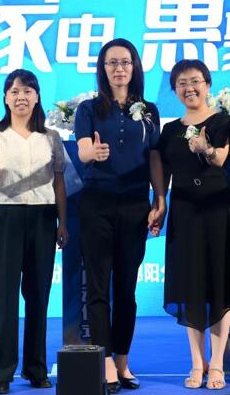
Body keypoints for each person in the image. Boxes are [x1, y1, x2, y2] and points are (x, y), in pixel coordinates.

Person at [73, 38, 166, 393]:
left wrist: (160, 198)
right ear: (103, 68)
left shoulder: (149, 110)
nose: (119, 69)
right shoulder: (88, 109)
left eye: (125, 62)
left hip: (135, 206)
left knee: (127, 289)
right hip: (97, 204)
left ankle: (123, 360)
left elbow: (154, 157)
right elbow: (82, 149)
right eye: (111, 63)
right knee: (99, 287)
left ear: (135, 67)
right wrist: (92, 153)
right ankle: (106, 362)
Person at [0, 69, 68, 395]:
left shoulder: (51, 137)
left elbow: (59, 182)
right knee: (3, 296)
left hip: (43, 218)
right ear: (5, 98)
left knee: (39, 296)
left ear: (37, 97)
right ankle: (0, 372)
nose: (20, 97)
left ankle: (36, 368)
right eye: (14, 91)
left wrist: (63, 222)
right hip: (5, 216)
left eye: (27, 91)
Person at [157, 59, 230, 390]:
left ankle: (217, 364)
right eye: (181, 83)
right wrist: (159, 204)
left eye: (195, 81)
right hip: (183, 212)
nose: (189, 88)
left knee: (218, 287)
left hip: (216, 209)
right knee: (190, 287)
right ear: (174, 90)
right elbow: (162, 172)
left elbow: (220, 159)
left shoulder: (222, 121)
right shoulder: (169, 130)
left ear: (207, 85)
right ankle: (197, 361)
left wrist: (205, 148)